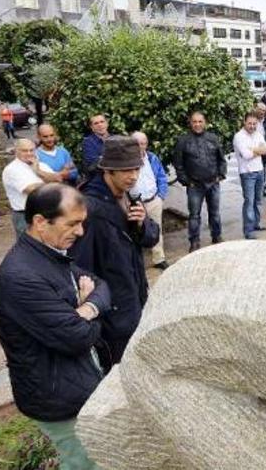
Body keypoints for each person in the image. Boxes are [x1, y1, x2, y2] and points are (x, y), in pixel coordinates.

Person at [0, 183, 111, 470]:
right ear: (40, 222)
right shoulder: (21, 278)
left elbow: (103, 286)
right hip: (59, 401)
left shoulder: (49, 254)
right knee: (85, 464)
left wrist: (86, 308)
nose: (80, 232)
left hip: (76, 386)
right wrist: (89, 314)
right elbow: (78, 338)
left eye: (82, 223)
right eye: (73, 224)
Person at [70, 137, 159, 370]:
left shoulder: (129, 195)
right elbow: (80, 266)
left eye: (136, 169)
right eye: (125, 170)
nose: (133, 176)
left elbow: (151, 238)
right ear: (107, 170)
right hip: (112, 310)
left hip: (135, 295)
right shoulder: (89, 208)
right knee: (119, 374)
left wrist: (141, 225)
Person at [173, 112, 227, 252]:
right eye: (194, 122)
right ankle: (194, 241)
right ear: (190, 123)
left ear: (205, 122)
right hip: (194, 185)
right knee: (194, 215)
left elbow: (221, 159)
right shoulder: (183, 141)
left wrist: (220, 175)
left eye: (200, 121)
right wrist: (186, 181)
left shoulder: (213, 138)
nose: (197, 124)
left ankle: (217, 236)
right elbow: (178, 165)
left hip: (213, 183)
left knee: (215, 213)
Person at [129, 131, 170, 269]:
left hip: (153, 200)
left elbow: (161, 177)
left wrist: (161, 196)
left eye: (143, 143)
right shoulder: (127, 160)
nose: (141, 146)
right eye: (137, 143)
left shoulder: (152, 158)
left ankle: (159, 258)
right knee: (134, 232)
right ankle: (137, 261)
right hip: (135, 202)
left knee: (156, 230)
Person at [2, 138, 54, 236]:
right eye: (24, 150)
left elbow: (59, 181)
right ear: (16, 151)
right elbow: (32, 190)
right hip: (25, 216)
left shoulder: (40, 165)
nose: (29, 153)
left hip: (46, 212)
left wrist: (39, 171)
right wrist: (50, 183)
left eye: (31, 150)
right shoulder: (12, 169)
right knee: (30, 247)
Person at [234, 112, 266, 240]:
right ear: (244, 122)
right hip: (247, 173)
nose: (252, 126)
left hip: (260, 170)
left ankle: (256, 224)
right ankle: (248, 230)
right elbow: (246, 155)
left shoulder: (258, 134)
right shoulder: (239, 137)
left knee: (258, 200)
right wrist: (259, 150)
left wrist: (253, 149)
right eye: (249, 123)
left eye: (254, 123)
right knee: (249, 201)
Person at [81, 114, 112, 179]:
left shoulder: (115, 139)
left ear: (107, 124)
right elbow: (93, 165)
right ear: (92, 127)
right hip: (98, 178)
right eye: (96, 123)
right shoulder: (88, 142)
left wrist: (101, 157)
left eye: (102, 122)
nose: (100, 125)